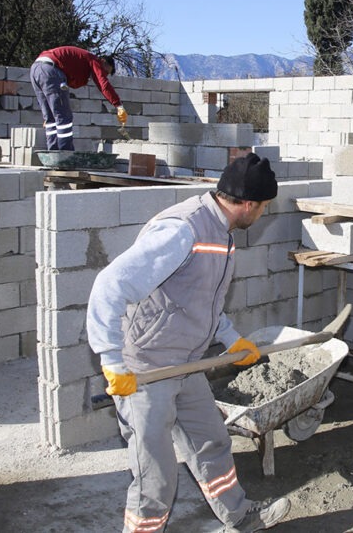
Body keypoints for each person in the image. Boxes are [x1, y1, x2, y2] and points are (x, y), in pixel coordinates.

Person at [86, 153, 290, 533]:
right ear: (248, 204)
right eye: (263, 207)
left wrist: (231, 340)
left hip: (186, 362)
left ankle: (239, 516)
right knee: (156, 477)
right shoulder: (184, 230)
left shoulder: (220, 232)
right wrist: (112, 360)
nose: (262, 213)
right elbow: (109, 286)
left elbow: (198, 299)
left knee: (213, 443)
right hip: (146, 367)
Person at [30, 46, 128, 150]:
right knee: (64, 117)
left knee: (50, 119)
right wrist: (118, 105)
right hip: (51, 70)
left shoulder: (82, 61)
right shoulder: (94, 60)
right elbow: (103, 84)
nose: (104, 74)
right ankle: (65, 153)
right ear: (102, 61)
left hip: (36, 69)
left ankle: (53, 152)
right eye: (105, 72)